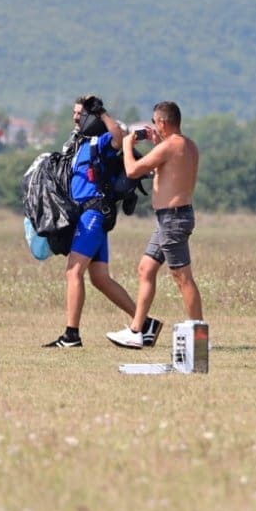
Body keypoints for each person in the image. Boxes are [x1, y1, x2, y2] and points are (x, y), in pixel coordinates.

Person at [44, 94, 142, 348]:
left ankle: (71, 335)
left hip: (94, 213)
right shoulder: (78, 143)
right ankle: (143, 323)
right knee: (99, 277)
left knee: (73, 271)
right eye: (75, 113)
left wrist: (102, 113)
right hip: (86, 216)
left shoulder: (101, 141)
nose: (76, 117)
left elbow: (120, 137)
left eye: (81, 114)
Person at [106, 100, 202, 349]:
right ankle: (137, 331)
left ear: (162, 122)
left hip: (173, 219)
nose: (153, 126)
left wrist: (127, 144)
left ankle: (200, 336)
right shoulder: (188, 145)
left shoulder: (170, 146)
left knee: (182, 278)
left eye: (154, 122)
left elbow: (132, 171)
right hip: (170, 219)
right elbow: (171, 167)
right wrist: (157, 143)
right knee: (146, 269)